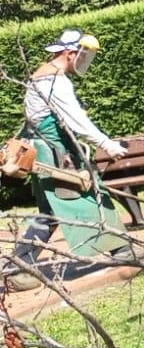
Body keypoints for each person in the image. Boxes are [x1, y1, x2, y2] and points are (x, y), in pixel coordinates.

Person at [4, 30, 129, 290]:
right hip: (56, 155)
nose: (84, 61)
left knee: (50, 212)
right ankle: (122, 251)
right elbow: (77, 122)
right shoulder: (55, 81)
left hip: (47, 151)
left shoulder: (42, 75)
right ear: (70, 53)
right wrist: (107, 144)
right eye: (82, 55)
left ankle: (16, 267)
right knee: (89, 193)